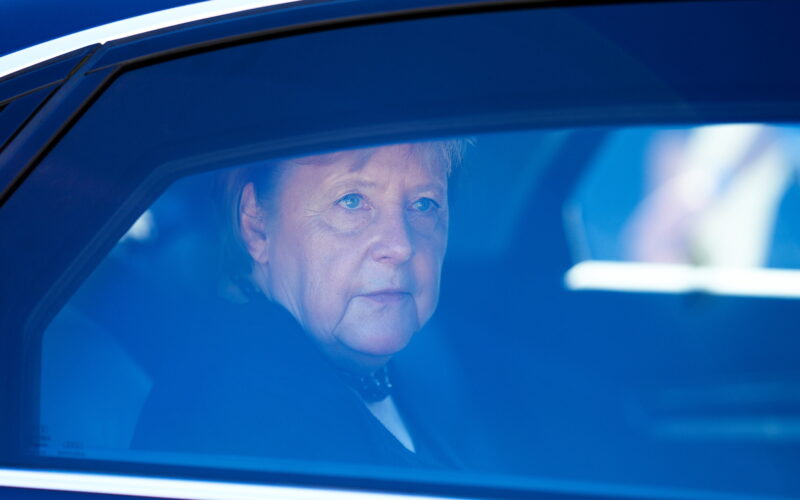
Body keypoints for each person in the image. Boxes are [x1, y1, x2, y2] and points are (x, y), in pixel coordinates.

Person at [133, 141, 465, 468]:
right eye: (351, 201)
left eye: (424, 204)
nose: (401, 246)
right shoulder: (238, 405)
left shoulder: (399, 371)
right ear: (257, 226)